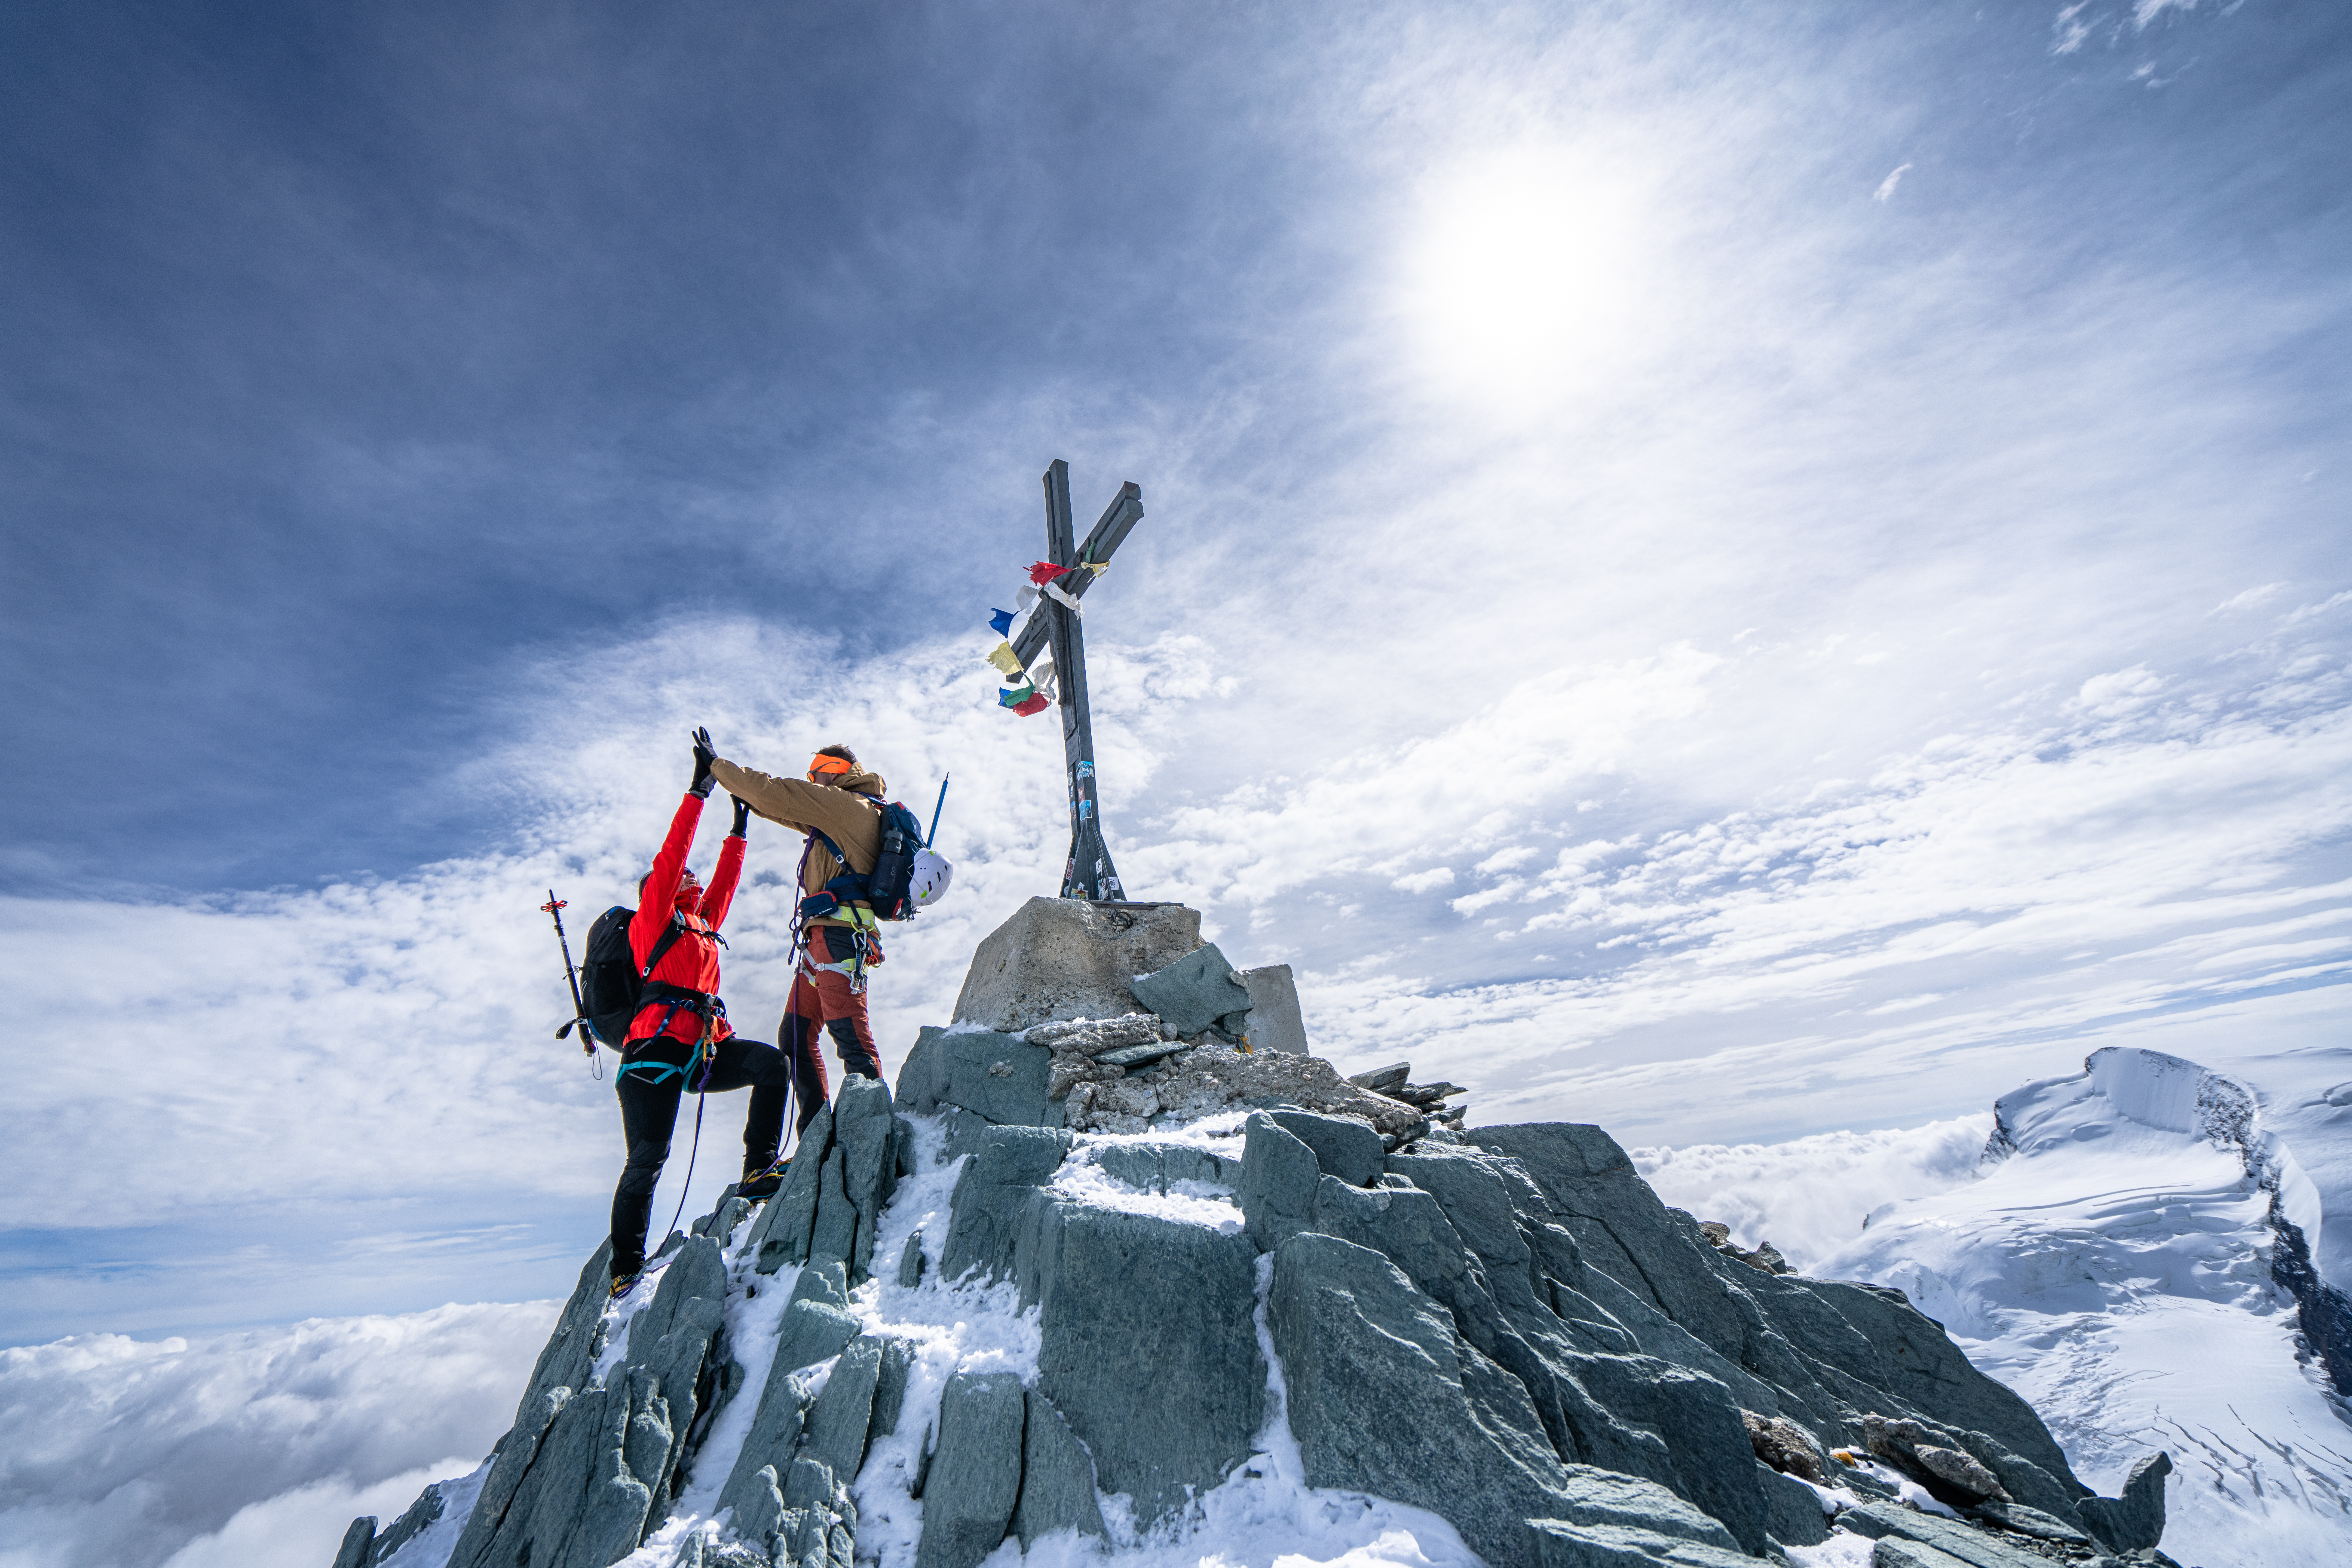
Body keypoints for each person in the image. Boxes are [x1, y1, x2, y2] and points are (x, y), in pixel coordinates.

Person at [607, 727, 796, 1299]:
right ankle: (625, 1268)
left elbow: (726, 886)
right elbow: (673, 855)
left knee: (772, 1066)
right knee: (649, 1159)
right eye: (681, 877)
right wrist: (699, 793)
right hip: (654, 1055)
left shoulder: (702, 924)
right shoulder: (655, 920)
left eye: (692, 877)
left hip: (704, 1049)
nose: (690, 877)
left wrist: (739, 830)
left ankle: (758, 1170)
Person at [709, 743, 889, 1137]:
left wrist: (716, 766)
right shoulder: (843, 813)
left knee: (850, 1035)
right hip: (823, 939)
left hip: (839, 937)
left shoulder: (846, 805)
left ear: (835, 769)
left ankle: (874, 1134)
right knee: (795, 1037)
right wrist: (746, 797)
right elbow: (781, 808)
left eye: (815, 772)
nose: (812, 779)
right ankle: (815, 1136)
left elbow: (777, 792)